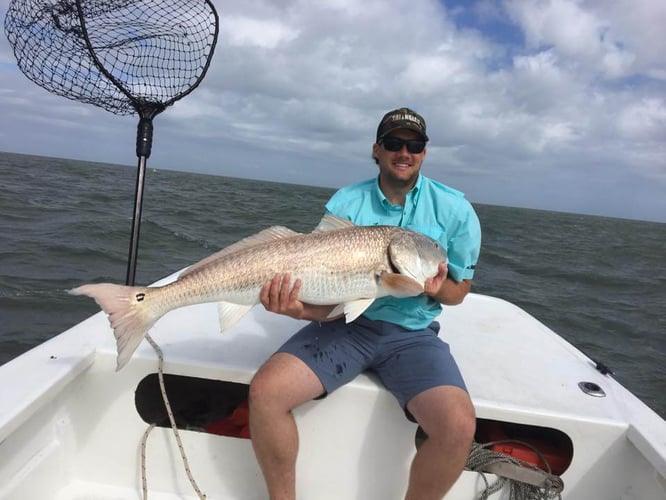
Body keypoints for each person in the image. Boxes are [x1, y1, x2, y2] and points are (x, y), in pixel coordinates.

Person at [249, 107, 482, 500]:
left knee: (458, 426)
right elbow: (330, 297)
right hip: (346, 327)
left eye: (414, 145)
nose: (403, 152)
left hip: (412, 335)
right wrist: (297, 309)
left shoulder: (456, 210)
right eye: (393, 143)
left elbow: (459, 290)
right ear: (376, 150)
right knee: (265, 393)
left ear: (424, 152)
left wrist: (434, 288)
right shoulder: (347, 201)